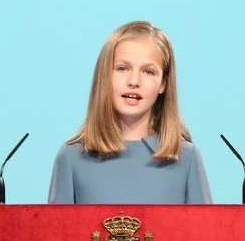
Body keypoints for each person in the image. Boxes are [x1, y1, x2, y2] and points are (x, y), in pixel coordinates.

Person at [48, 21, 211, 204]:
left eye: (148, 71)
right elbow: (57, 232)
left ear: (163, 84)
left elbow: (203, 232)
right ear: (104, 76)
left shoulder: (186, 158)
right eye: (122, 68)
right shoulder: (71, 157)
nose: (134, 81)